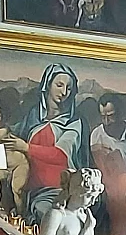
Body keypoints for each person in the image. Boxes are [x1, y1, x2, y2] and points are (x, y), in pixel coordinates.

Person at [15, 62, 95, 225]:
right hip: (30, 188)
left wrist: (26, 147)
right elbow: (15, 134)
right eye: (59, 85)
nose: (64, 92)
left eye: (69, 88)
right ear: (47, 85)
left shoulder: (75, 122)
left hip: (59, 192)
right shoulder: (33, 116)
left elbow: (60, 155)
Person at [90, 95, 126, 235]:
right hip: (115, 190)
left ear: (121, 114)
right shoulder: (97, 136)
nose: (106, 122)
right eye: (103, 117)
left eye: (111, 116)